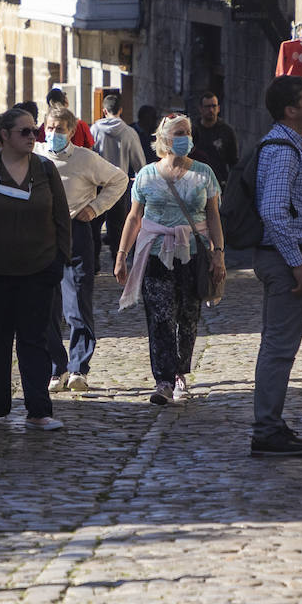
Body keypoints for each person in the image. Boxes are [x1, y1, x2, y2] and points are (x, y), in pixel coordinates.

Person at [0, 107, 71, 430]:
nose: (34, 137)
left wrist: (58, 260)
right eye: (25, 132)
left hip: (38, 270)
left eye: (35, 132)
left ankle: (38, 410)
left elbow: (61, 218)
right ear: (4, 135)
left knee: (34, 340)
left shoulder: (45, 170)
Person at [115, 113, 227, 405]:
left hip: (193, 256)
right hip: (156, 255)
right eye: (178, 133)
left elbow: (213, 216)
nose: (184, 138)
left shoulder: (204, 174)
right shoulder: (147, 175)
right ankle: (163, 379)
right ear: (164, 140)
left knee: (188, 318)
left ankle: (180, 372)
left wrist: (219, 254)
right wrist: (121, 255)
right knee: (161, 317)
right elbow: (134, 216)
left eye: (187, 133)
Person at [252, 75, 302, 457]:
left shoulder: (293, 146)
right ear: (291, 110)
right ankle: (266, 430)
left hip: (282, 254)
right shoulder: (282, 149)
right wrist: (297, 264)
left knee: (277, 346)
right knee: (278, 348)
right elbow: (273, 212)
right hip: (282, 257)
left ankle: (272, 424)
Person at [38, 106, 129, 392]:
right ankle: (56, 367)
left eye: (60, 129)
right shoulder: (35, 156)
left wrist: (95, 208)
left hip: (76, 231)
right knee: (46, 305)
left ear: (71, 130)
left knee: (77, 300)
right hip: (42, 234)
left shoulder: (86, 159)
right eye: (50, 128)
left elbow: (119, 180)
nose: (54, 134)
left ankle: (79, 367)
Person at [92, 93, 147, 265]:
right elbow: (139, 162)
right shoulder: (129, 132)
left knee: (94, 224)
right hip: (119, 185)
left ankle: (93, 261)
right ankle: (118, 259)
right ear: (121, 110)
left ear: (104, 111)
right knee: (117, 226)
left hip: (97, 185)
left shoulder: (94, 130)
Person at [191, 91, 239, 185]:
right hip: (196, 182)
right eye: (208, 107)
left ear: (218, 108)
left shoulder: (227, 131)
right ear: (201, 109)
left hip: (220, 183)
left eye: (214, 106)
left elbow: (234, 162)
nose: (211, 110)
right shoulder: (193, 130)